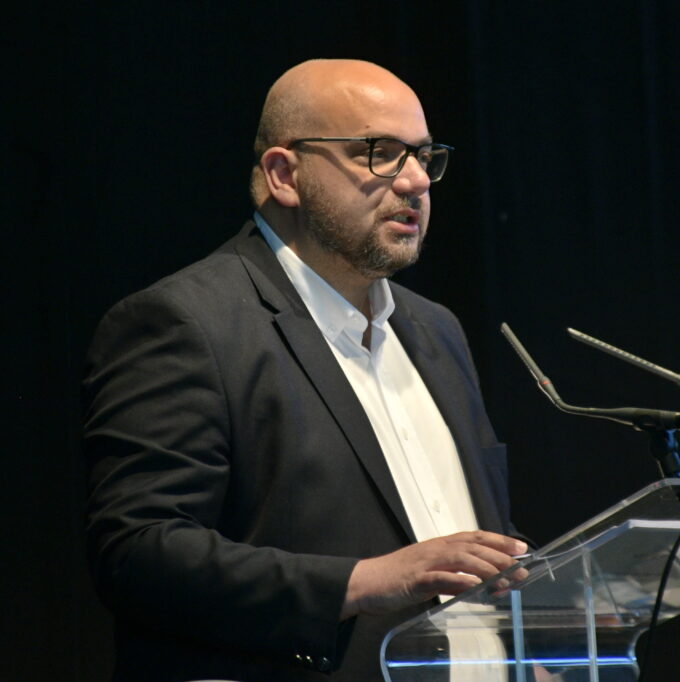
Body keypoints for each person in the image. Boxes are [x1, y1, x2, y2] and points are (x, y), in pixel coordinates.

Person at [82, 59, 527, 681]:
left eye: (425, 156)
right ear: (285, 175)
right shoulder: (187, 323)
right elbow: (138, 554)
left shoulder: (437, 331)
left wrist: (520, 647)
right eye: (379, 153)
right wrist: (364, 581)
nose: (415, 181)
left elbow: (462, 542)